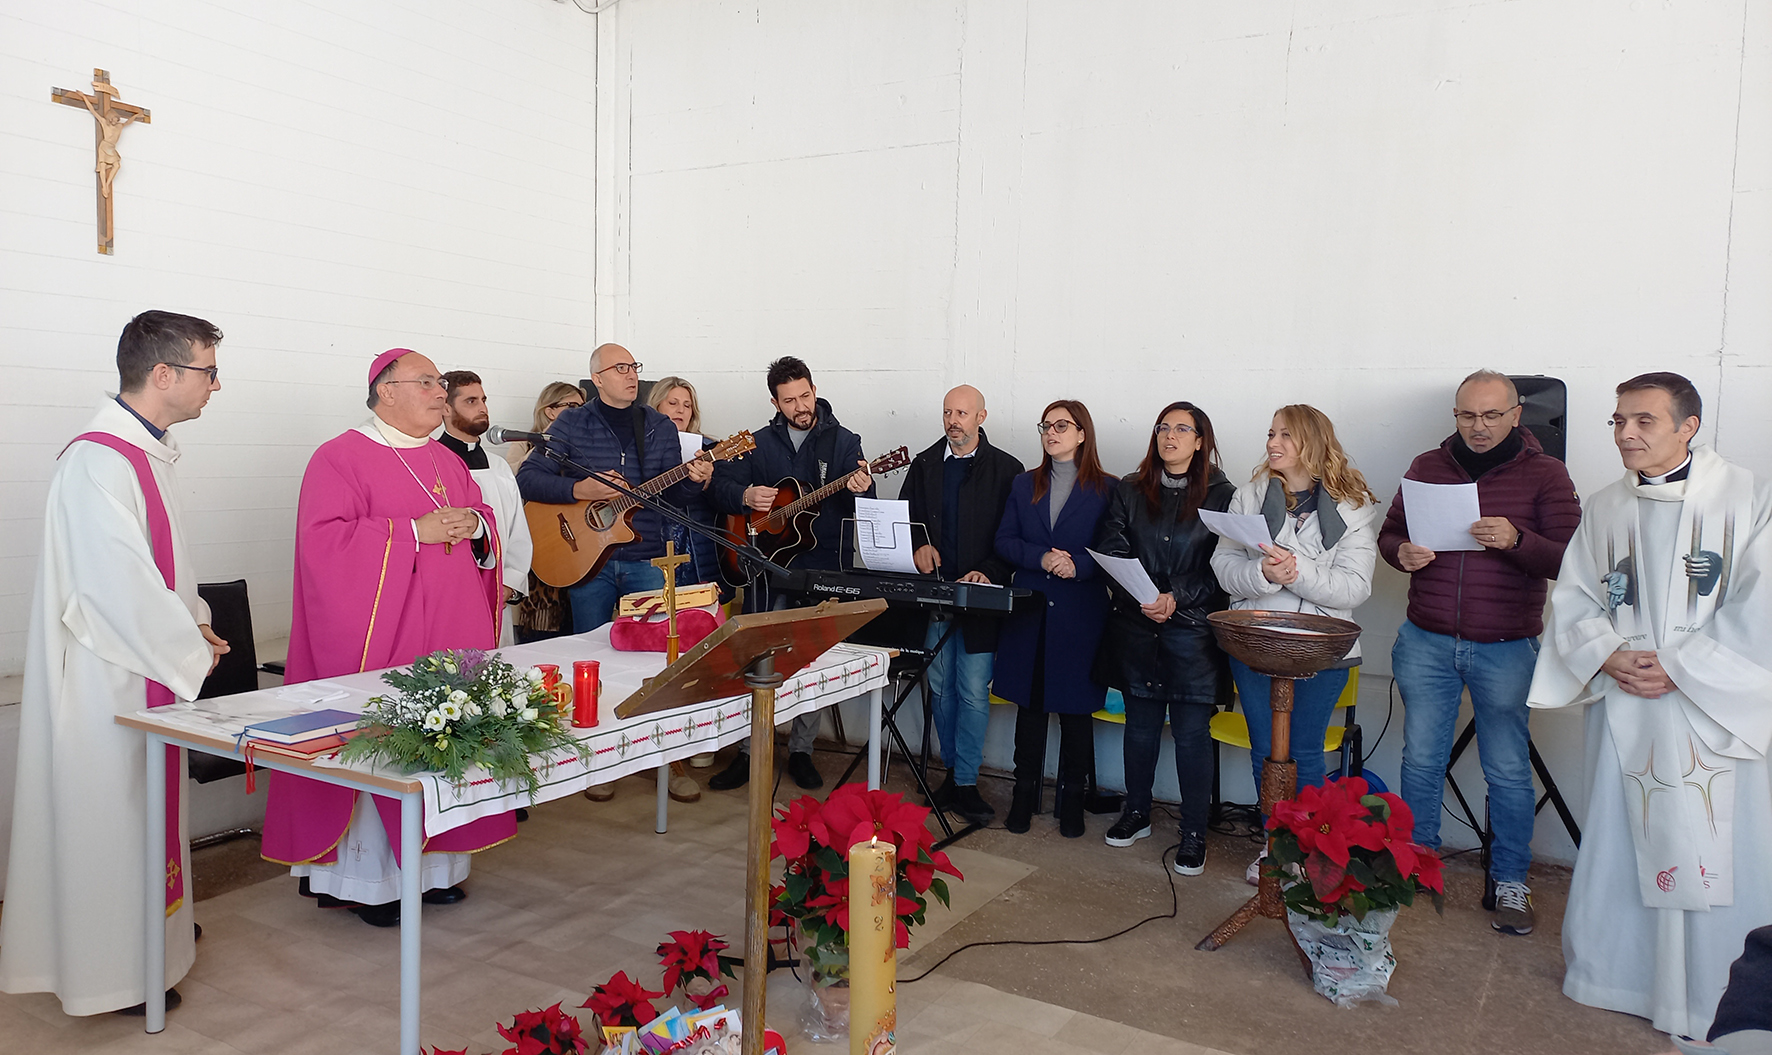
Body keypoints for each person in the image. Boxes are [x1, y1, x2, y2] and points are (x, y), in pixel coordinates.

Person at [1529, 372, 1772, 1039]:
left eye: (1643, 421)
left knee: (1715, 850)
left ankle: (1711, 997)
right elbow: (1575, 596)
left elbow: (1763, 605)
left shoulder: (1749, 497)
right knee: (1625, 841)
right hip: (1629, 704)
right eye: (1617, 421)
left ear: (1688, 426)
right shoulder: (1606, 506)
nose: (1626, 434)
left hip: (1708, 714)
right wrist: (1605, 652)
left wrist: (1683, 667)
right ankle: (1619, 974)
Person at [0, 310, 228, 1016]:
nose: (216, 386)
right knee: (110, 818)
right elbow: (111, 584)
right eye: (208, 370)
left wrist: (195, 622)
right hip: (105, 680)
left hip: (140, 664)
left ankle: (151, 942)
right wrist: (188, 641)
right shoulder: (99, 459)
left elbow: (160, 569)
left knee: (142, 818)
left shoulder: (145, 453)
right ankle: (114, 972)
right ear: (164, 374)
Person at [260, 348, 513, 928]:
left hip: (447, 634)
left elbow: (480, 524)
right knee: (382, 744)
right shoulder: (340, 457)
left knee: (445, 744)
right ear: (385, 390)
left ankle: (437, 870)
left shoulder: (447, 461)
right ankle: (366, 883)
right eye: (426, 382)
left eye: (440, 382)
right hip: (382, 636)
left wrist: (477, 527)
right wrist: (410, 534)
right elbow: (322, 546)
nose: (439, 392)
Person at [1379, 370, 1582, 936]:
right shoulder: (1426, 466)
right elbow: (1389, 535)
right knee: (1420, 758)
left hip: (1506, 647)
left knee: (1509, 770)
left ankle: (1511, 879)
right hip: (1427, 639)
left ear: (1517, 415)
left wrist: (1518, 541)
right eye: (1468, 415)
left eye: (1492, 415)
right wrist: (1404, 555)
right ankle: (1415, 865)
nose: (1479, 427)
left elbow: (1570, 562)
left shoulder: (1547, 474)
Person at [1211, 404, 1379, 882]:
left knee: (1303, 751)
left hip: (1322, 651)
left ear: (1311, 442)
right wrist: (1261, 572)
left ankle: (1307, 851)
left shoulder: (1353, 504)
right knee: (1265, 749)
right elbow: (1223, 567)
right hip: (1257, 644)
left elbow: (1354, 588)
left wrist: (1298, 572)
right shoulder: (1249, 497)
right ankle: (1272, 845)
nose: (1272, 443)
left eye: (1284, 435)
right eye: (1270, 433)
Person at [706, 356, 874, 791]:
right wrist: (745, 494)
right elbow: (720, 490)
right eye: (790, 400)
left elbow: (863, 503)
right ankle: (749, 751)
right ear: (775, 402)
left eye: (805, 395)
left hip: (821, 565)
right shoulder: (756, 443)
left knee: (811, 659)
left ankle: (801, 751)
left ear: (814, 389)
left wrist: (864, 487)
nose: (800, 405)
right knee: (756, 656)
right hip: (766, 563)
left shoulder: (844, 441)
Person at [1092, 402, 1235, 874]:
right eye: (1162, 428)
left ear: (1200, 441)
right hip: (1137, 625)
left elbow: (1226, 568)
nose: (1169, 436)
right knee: (1140, 727)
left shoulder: (1223, 494)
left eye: (1181, 429)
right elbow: (1112, 546)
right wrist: (1144, 596)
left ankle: (1194, 832)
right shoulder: (1131, 489)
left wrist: (1176, 595)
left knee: (1193, 735)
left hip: (1192, 632)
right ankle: (1137, 812)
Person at [515, 345, 711, 634]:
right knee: (589, 649)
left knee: (648, 651)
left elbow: (671, 499)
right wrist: (580, 489)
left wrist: (694, 480)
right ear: (597, 379)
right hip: (585, 558)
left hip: (646, 558)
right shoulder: (570, 423)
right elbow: (528, 478)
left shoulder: (659, 426)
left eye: (633, 367)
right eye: (620, 368)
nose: (631, 375)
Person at [900, 385, 1024, 827]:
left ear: (982, 417)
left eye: (963, 413)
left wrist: (987, 570)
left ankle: (967, 782)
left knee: (972, 690)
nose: (954, 420)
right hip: (934, 599)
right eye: (948, 412)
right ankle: (951, 773)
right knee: (941, 689)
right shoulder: (925, 464)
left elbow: (1013, 536)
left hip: (979, 602)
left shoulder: (1008, 470)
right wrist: (918, 547)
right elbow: (905, 518)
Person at [994, 400, 1116, 838]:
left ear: (1083, 433)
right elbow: (1004, 541)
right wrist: (1042, 557)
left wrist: (1079, 565)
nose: (1051, 432)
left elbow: (1116, 551)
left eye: (1062, 425)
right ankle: (1022, 799)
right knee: (1029, 709)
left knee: (1076, 713)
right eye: (1046, 425)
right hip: (1029, 612)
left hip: (1080, 617)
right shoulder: (1024, 484)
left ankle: (1071, 804)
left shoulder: (1107, 488)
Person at [440, 370, 533, 647]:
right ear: (445, 408)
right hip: (451, 597)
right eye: (470, 401)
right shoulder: (433, 464)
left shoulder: (499, 466)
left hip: (497, 594)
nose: (482, 408)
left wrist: (508, 584)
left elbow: (518, 530)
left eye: (483, 399)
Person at [508, 382, 585, 643]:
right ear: (550, 411)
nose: (578, 412)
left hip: (578, 544)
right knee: (542, 634)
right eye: (571, 406)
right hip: (542, 541)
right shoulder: (523, 444)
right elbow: (511, 480)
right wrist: (547, 443)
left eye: (581, 407)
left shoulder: (581, 448)